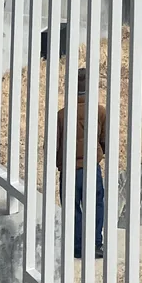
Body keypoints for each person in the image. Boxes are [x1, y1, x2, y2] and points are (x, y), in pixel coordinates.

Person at [56, 66, 106, 259]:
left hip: (70, 169)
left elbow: (55, 144)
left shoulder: (62, 114)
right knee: (95, 205)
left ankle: (77, 246)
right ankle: (94, 244)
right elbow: (104, 140)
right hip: (91, 167)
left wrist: (59, 164)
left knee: (72, 206)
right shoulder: (99, 112)